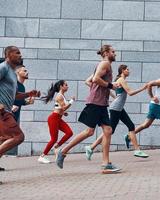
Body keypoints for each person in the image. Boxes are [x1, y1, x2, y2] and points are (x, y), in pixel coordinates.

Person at [56, 44, 121, 174]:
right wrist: (111, 86)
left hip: (101, 103)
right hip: (96, 103)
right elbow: (96, 79)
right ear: (106, 53)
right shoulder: (105, 64)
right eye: (113, 52)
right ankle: (63, 152)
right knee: (89, 132)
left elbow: (89, 80)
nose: (115, 54)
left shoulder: (104, 65)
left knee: (108, 130)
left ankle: (105, 164)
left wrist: (103, 89)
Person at [85, 64, 149, 159]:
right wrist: (143, 88)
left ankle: (137, 150)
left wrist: (114, 97)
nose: (129, 71)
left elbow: (113, 91)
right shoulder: (121, 80)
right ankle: (91, 147)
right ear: (122, 70)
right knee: (110, 131)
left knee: (130, 126)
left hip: (118, 108)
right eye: (127, 69)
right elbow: (130, 93)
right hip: (116, 108)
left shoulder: (119, 80)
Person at [0, 46, 40, 183]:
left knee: (3, 139)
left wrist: (29, 94)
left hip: (6, 111)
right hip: (2, 111)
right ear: (8, 55)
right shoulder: (3, 67)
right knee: (18, 136)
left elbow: (15, 95)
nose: (20, 55)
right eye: (17, 53)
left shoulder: (11, 72)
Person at [38, 80, 75, 164]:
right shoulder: (59, 96)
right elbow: (64, 107)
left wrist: (63, 113)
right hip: (53, 119)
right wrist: (71, 101)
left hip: (58, 118)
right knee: (53, 139)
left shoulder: (62, 96)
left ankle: (56, 147)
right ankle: (42, 156)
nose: (67, 86)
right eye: (66, 85)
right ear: (61, 86)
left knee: (69, 133)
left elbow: (58, 107)